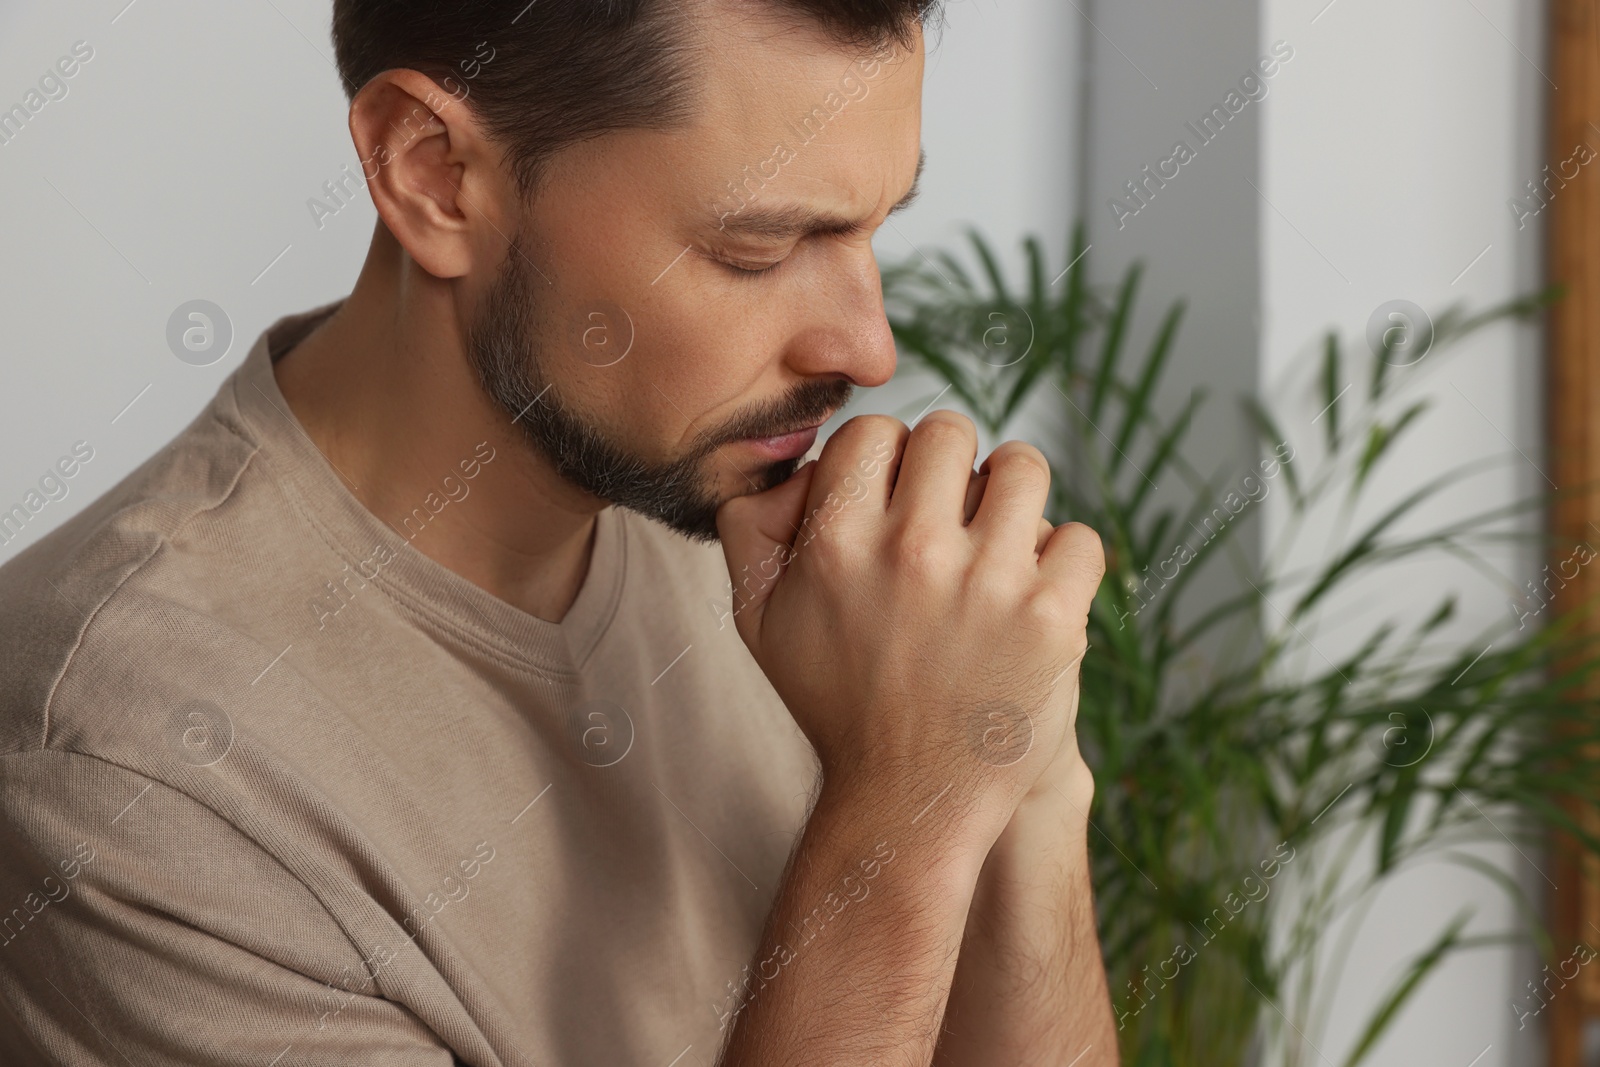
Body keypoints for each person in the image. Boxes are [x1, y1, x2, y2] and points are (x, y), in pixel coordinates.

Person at [0, 1, 1115, 1063]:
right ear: (432, 173)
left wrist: (1027, 772)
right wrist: (904, 797)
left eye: (874, 227)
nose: (867, 347)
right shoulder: (127, 768)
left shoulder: (786, 546)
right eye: (759, 250)